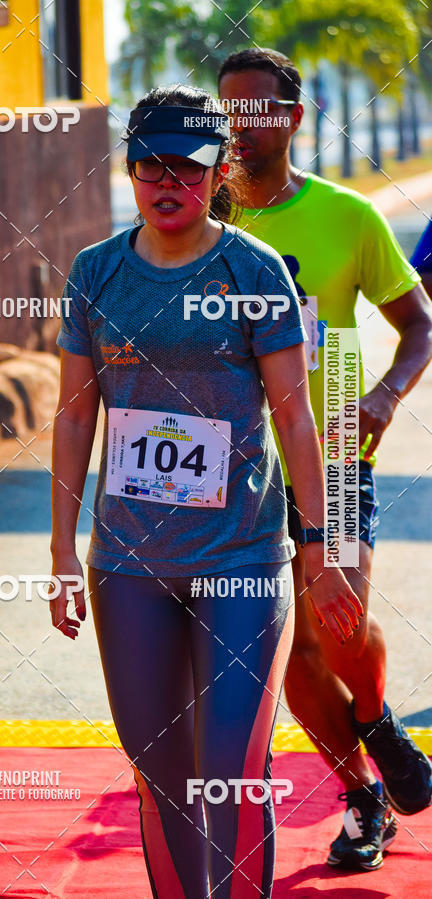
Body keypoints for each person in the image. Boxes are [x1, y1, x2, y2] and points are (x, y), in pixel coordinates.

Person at [50, 83, 362, 898]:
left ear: (219, 170)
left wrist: (320, 549)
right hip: (127, 566)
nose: (166, 184)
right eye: (148, 166)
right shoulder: (96, 272)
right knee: (163, 774)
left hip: (242, 558)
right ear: (127, 168)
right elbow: (75, 419)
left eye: (185, 170)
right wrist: (57, 552)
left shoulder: (254, 269)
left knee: (229, 769)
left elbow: (297, 420)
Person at [218, 47, 432, 872]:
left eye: (259, 109)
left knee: (339, 632)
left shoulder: (347, 216)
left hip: (334, 456)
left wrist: (384, 396)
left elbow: (419, 323)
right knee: (285, 656)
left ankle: (377, 722)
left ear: (293, 119)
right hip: (232, 474)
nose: (242, 124)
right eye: (229, 109)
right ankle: (362, 793)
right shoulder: (203, 222)